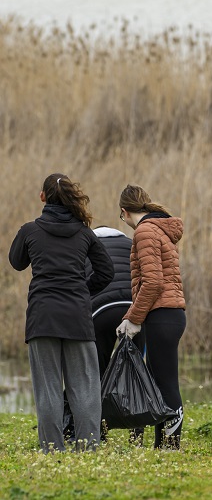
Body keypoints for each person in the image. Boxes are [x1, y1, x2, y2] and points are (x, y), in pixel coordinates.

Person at [9, 173, 114, 452]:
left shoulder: (30, 231)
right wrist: (82, 291)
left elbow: (16, 262)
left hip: (42, 318)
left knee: (48, 389)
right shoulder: (83, 233)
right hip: (77, 318)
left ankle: (52, 449)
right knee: (86, 387)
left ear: (43, 197)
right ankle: (89, 448)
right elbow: (107, 272)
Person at [117, 184, 186, 449]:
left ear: (124, 212)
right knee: (161, 381)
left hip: (162, 314)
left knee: (165, 383)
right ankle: (164, 443)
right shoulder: (159, 229)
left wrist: (132, 318)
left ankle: (170, 445)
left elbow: (154, 282)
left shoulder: (145, 231)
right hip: (170, 313)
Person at [63, 225, 143, 443]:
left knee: (94, 373)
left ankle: (97, 431)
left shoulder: (86, 246)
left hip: (100, 312)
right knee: (138, 372)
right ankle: (138, 434)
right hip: (135, 311)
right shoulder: (132, 244)